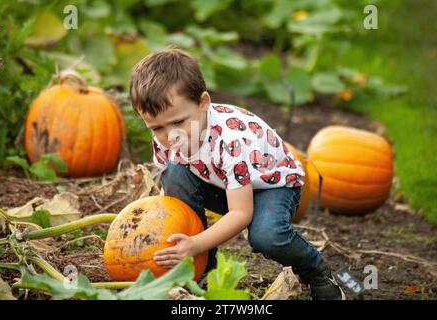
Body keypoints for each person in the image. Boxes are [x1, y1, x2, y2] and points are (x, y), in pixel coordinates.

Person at [129, 48, 345, 300]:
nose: (170, 135)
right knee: (174, 173)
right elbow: (171, 195)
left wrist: (196, 242)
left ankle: (316, 270)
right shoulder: (167, 138)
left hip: (270, 185)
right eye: (157, 128)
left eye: (179, 122)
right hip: (221, 183)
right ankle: (204, 269)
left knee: (267, 236)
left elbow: (241, 214)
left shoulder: (232, 141)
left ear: (203, 103)